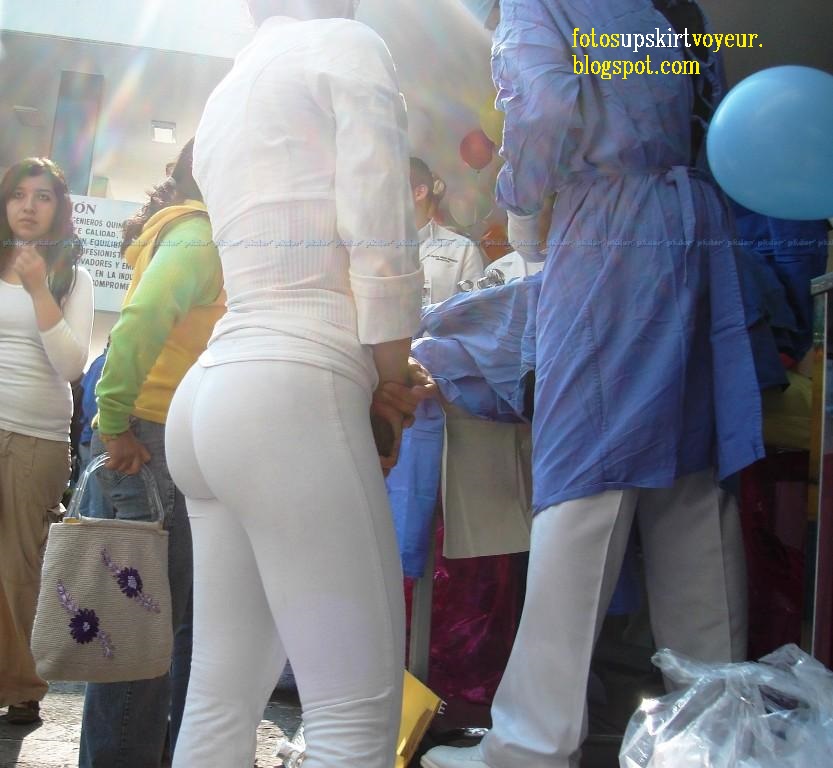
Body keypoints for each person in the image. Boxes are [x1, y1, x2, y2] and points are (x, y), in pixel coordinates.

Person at [422, 1, 763, 767]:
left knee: (584, 480)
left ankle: (531, 744)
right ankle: (714, 741)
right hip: (697, 227)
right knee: (691, 483)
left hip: (610, 227)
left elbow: (542, 102)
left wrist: (521, 198)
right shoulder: (673, 8)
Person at [163, 1, 424, 766]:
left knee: (217, 701)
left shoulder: (230, 84)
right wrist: (392, 377)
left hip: (213, 393)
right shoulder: (345, 44)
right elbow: (380, 227)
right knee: (353, 722)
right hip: (292, 386)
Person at [78, 138, 225, 767]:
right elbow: (139, 321)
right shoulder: (200, 234)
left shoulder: (193, 231)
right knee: (140, 632)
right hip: (149, 439)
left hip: (157, 435)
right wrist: (114, 422)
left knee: (154, 625)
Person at [0, 158, 94, 725]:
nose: (28, 206)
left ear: (59, 207)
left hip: (35, 437)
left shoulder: (71, 278)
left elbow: (71, 366)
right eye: (18, 195)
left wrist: (38, 288)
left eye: (42, 196)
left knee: (17, 567)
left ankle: (22, 684)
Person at [411, 157, 484, 303]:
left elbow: (475, 312)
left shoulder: (461, 249)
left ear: (419, 193)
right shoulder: (369, 248)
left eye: (390, 186)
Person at [75, 340, 108, 517]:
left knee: (84, 501)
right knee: (98, 505)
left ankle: (77, 533)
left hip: (86, 438)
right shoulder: (106, 364)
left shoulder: (97, 362)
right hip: (96, 437)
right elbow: (92, 405)